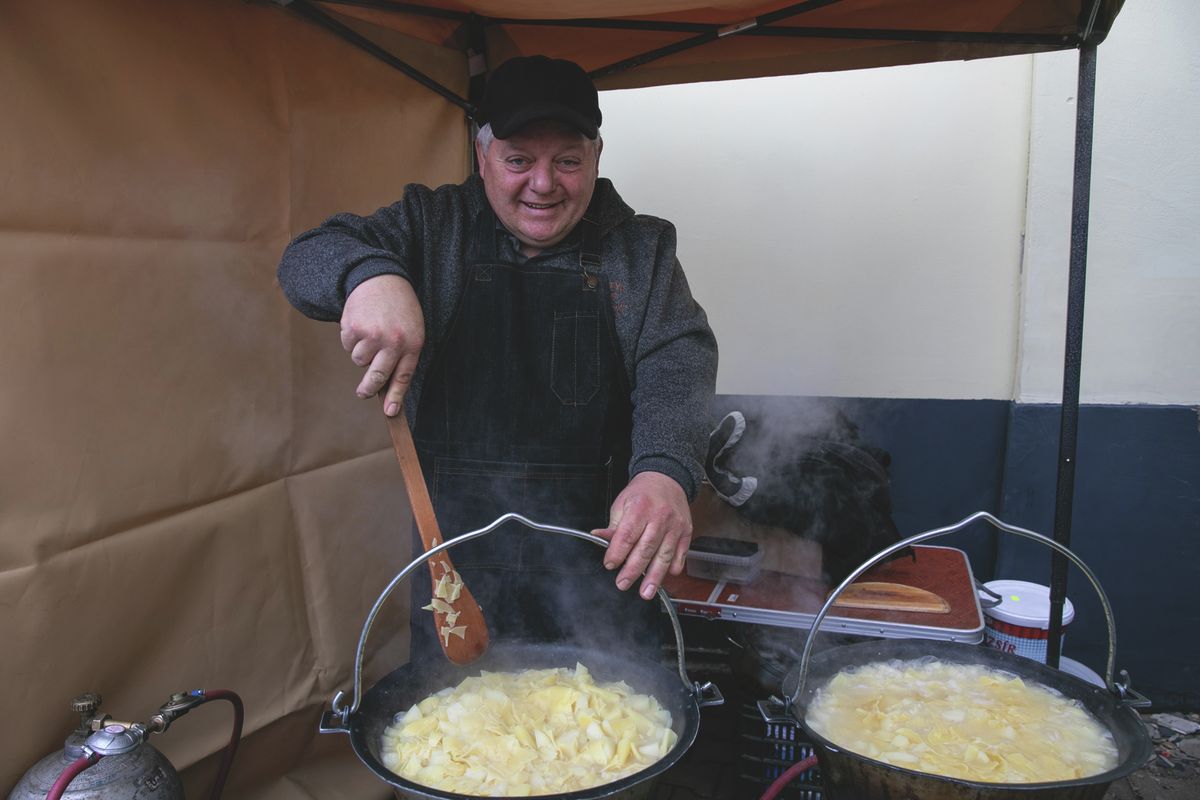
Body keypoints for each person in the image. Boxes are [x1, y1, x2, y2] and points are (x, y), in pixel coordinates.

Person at [277, 55, 717, 654]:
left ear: (597, 156)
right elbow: (307, 255)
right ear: (481, 156)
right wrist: (369, 275)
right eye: (518, 160)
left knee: (612, 731)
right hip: (453, 572)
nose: (543, 183)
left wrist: (664, 471)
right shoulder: (433, 227)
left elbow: (678, 357)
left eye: (567, 160)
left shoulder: (639, 249)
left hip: (603, 568)